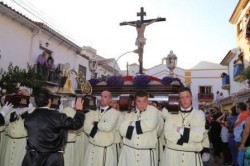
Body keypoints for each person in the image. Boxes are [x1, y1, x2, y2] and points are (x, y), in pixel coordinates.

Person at [21, 88, 85, 166]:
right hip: (52, 160)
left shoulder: (28, 118)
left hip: (32, 158)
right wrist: (79, 110)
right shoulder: (58, 116)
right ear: (49, 101)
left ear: (36, 102)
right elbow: (76, 124)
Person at [161, 87, 206, 166]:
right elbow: (168, 134)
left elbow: (198, 136)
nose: (185, 100)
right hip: (172, 156)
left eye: (187, 97)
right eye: (182, 97)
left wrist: (178, 129)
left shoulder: (199, 114)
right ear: (179, 100)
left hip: (191, 157)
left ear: (191, 98)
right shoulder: (171, 114)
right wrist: (189, 134)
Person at [118, 89, 159, 166]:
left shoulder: (153, 110)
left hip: (146, 154)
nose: (141, 104)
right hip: (129, 153)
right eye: (139, 101)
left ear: (148, 100)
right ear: (135, 101)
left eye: (144, 101)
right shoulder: (129, 112)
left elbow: (150, 125)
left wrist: (132, 124)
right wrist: (141, 126)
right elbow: (122, 131)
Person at [83, 90, 120, 166]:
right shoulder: (92, 112)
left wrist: (95, 124)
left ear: (110, 100)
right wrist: (100, 127)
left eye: (105, 97)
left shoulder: (114, 113)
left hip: (103, 150)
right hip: (91, 147)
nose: (102, 98)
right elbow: (86, 127)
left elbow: (108, 127)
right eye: (101, 96)